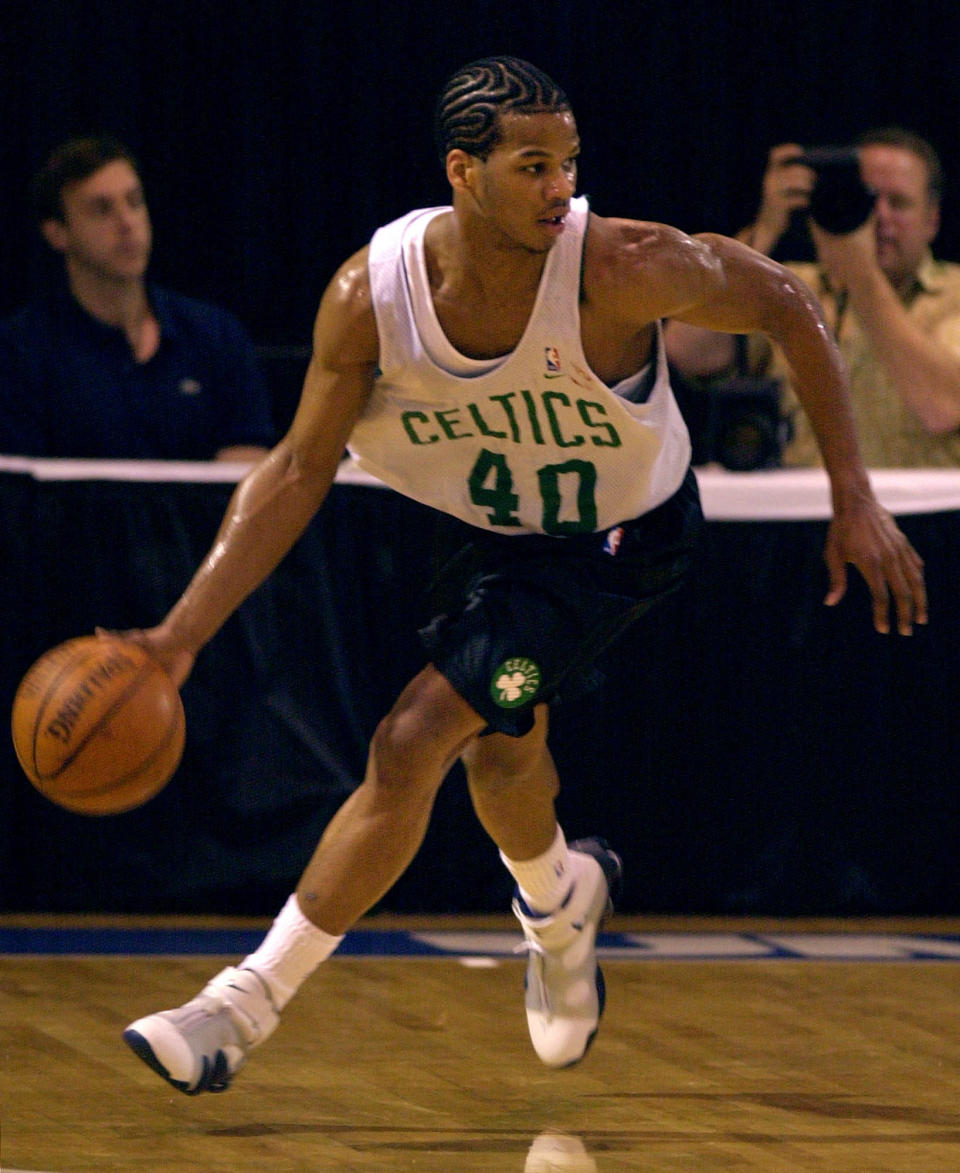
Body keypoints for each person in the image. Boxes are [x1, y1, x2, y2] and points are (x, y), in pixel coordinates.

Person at [120, 57, 926, 1095]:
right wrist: (175, 638)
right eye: (532, 165)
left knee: (413, 736)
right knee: (501, 756)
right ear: (463, 172)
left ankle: (239, 1007)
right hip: (486, 532)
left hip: (619, 539)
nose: (561, 188)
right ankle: (561, 898)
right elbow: (293, 471)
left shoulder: (620, 266)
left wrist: (852, 497)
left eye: (570, 163)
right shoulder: (373, 296)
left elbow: (784, 306)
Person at [666, 128, 960, 467]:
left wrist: (861, 276)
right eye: (865, 198)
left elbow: (943, 408)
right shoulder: (790, 289)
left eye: (898, 202)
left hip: (928, 515)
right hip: (801, 512)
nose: (878, 218)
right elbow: (686, 352)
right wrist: (765, 230)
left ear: (932, 219)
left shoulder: (954, 292)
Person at [0, 135, 276, 461]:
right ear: (57, 233)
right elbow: (22, 493)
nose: (127, 223)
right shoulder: (21, 351)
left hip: (206, 514)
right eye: (102, 209)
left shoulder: (215, 335)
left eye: (134, 201)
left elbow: (248, 461)